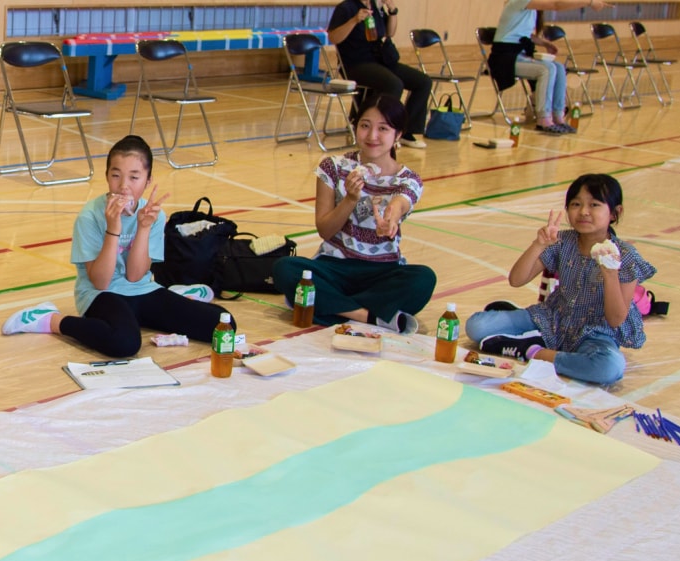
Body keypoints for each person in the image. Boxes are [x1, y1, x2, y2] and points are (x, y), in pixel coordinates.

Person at [1, 135, 232, 358]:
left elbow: (134, 276)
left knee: (224, 323)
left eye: (134, 177)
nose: (123, 186)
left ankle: (179, 297)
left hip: (142, 289)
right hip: (102, 294)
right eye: (116, 175)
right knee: (125, 343)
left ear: (148, 180)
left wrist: (142, 228)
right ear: (106, 176)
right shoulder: (90, 216)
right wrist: (113, 227)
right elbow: (100, 281)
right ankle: (50, 319)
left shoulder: (154, 215)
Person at [466, 174, 654, 384]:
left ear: (615, 213)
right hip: (554, 317)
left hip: (596, 332)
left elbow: (616, 319)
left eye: (594, 205)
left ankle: (531, 349)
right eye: (575, 204)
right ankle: (534, 334)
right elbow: (516, 279)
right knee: (476, 327)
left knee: (609, 368)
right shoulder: (562, 241)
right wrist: (539, 244)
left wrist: (610, 275)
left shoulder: (625, 256)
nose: (583, 211)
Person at [271, 95, 436, 333]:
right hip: (335, 266)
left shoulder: (408, 179)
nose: (372, 136)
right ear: (355, 127)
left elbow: (401, 202)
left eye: (383, 129)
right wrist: (349, 199)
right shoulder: (333, 167)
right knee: (285, 268)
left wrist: (391, 217)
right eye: (365, 126)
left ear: (398, 135)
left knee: (423, 279)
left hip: (382, 271)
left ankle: (331, 308)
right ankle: (369, 317)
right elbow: (325, 230)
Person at [491, 0, 612, 134]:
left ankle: (557, 115)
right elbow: (556, 5)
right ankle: (543, 118)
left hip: (520, 54)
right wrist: (589, 2)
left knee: (559, 68)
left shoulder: (530, 9)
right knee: (547, 69)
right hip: (505, 58)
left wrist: (545, 43)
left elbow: (524, 34)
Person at [327, 0, 432, 149]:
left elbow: (390, 33)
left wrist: (393, 11)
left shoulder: (376, 8)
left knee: (423, 82)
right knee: (393, 84)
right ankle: (384, 131)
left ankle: (406, 132)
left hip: (381, 59)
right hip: (356, 63)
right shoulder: (346, 8)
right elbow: (333, 38)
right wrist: (354, 20)